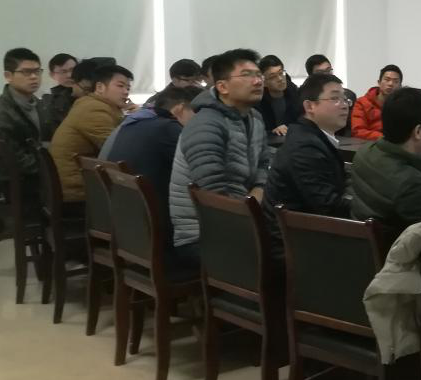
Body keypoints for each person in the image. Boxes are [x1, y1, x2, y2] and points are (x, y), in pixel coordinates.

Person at [169, 49, 272, 268]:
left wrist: (258, 191)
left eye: (259, 75)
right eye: (247, 75)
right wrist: (253, 209)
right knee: (295, 256)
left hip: (242, 218)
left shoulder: (254, 117)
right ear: (222, 86)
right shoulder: (206, 124)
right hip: (203, 234)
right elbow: (214, 194)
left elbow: (264, 163)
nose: (257, 81)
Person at [349, 87, 421, 236]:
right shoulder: (412, 184)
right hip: (395, 249)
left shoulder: (365, 153)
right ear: (418, 132)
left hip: (365, 245)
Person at [263, 73, 353, 247]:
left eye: (345, 100)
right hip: (295, 245)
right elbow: (328, 206)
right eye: (335, 98)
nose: (344, 105)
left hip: (306, 232)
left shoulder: (311, 137)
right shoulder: (305, 148)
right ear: (310, 106)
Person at [105, 85, 201, 243]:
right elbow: (197, 173)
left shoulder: (135, 122)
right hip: (157, 227)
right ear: (180, 109)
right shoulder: (169, 129)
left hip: (126, 222)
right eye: (198, 114)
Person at [50, 64, 132, 202]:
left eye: (128, 88)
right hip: (77, 189)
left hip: (75, 181)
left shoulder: (91, 103)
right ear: (100, 87)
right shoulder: (94, 110)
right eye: (120, 86)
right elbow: (117, 151)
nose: (126, 92)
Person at [0, 48, 49, 188]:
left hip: (38, 175)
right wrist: (52, 166)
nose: (34, 77)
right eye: (26, 72)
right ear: (8, 76)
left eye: (37, 71)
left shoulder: (39, 104)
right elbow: (15, 161)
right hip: (17, 183)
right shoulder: (0, 114)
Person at [305, 53, 356, 136]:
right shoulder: (305, 96)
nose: (327, 75)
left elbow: (349, 127)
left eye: (328, 70)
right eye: (320, 73)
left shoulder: (349, 96)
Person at [351, 64, 402, 140]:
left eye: (396, 81)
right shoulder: (362, 103)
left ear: (400, 86)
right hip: (370, 144)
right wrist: (385, 138)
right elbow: (358, 131)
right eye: (387, 80)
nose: (390, 84)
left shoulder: (403, 105)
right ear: (379, 82)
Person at [256, 54, 302, 137]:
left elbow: (302, 121)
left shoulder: (295, 93)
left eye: (281, 73)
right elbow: (256, 132)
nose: (280, 79)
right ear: (264, 82)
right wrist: (272, 131)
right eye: (273, 77)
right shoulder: (257, 101)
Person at [40, 52, 77, 139]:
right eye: (63, 71)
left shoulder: (93, 92)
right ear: (52, 75)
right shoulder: (49, 102)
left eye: (73, 70)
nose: (69, 75)